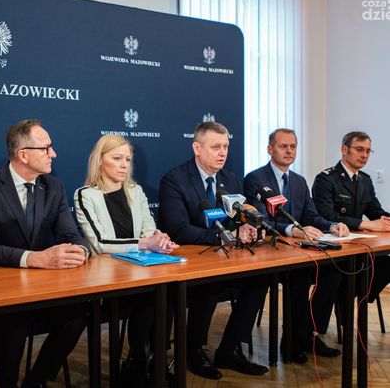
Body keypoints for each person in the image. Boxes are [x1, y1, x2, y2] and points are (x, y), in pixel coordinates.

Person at [0, 119, 90, 388]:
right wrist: (35, 258)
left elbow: (71, 235)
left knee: (75, 318)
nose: (53, 154)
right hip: (2, 286)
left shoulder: (54, 187)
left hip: (40, 287)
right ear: (23, 155)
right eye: (46, 148)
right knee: (14, 326)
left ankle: (36, 380)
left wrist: (80, 251)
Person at [159, 121, 269, 380]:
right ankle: (194, 351)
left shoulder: (230, 179)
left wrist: (248, 229)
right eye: (215, 147)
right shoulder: (174, 180)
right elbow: (178, 230)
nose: (222, 153)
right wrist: (227, 237)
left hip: (223, 256)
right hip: (187, 261)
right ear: (197, 148)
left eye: (226, 147)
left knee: (260, 278)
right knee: (209, 284)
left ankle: (229, 349)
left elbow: (237, 218)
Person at [75, 134, 178, 387]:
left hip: (140, 269)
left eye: (128, 159)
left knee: (166, 291)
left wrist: (159, 239)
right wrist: (146, 243)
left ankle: (152, 359)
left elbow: (148, 231)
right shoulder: (85, 195)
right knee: (149, 296)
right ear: (100, 161)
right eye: (117, 158)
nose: (124, 165)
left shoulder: (135, 190)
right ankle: (139, 361)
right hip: (106, 278)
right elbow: (100, 244)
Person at [244, 128, 348, 364]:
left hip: (298, 250)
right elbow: (262, 220)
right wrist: (292, 229)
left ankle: (310, 333)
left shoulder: (299, 181)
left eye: (293, 146)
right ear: (270, 149)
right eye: (283, 146)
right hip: (270, 251)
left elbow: (311, 216)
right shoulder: (256, 179)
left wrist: (332, 225)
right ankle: (291, 341)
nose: (289, 151)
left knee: (333, 272)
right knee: (299, 277)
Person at [312, 131, 390, 302]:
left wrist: (386, 220)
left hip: (358, 245)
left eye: (368, 151)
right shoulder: (326, 179)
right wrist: (364, 224)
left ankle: (358, 302)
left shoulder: (365, 180)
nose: (364, 155)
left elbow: (376, 211)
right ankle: (342, 305)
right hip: (333, 246)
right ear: (344, 149)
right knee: (338, 276)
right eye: (359, 149)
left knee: (385, 263)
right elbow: (326, 215)